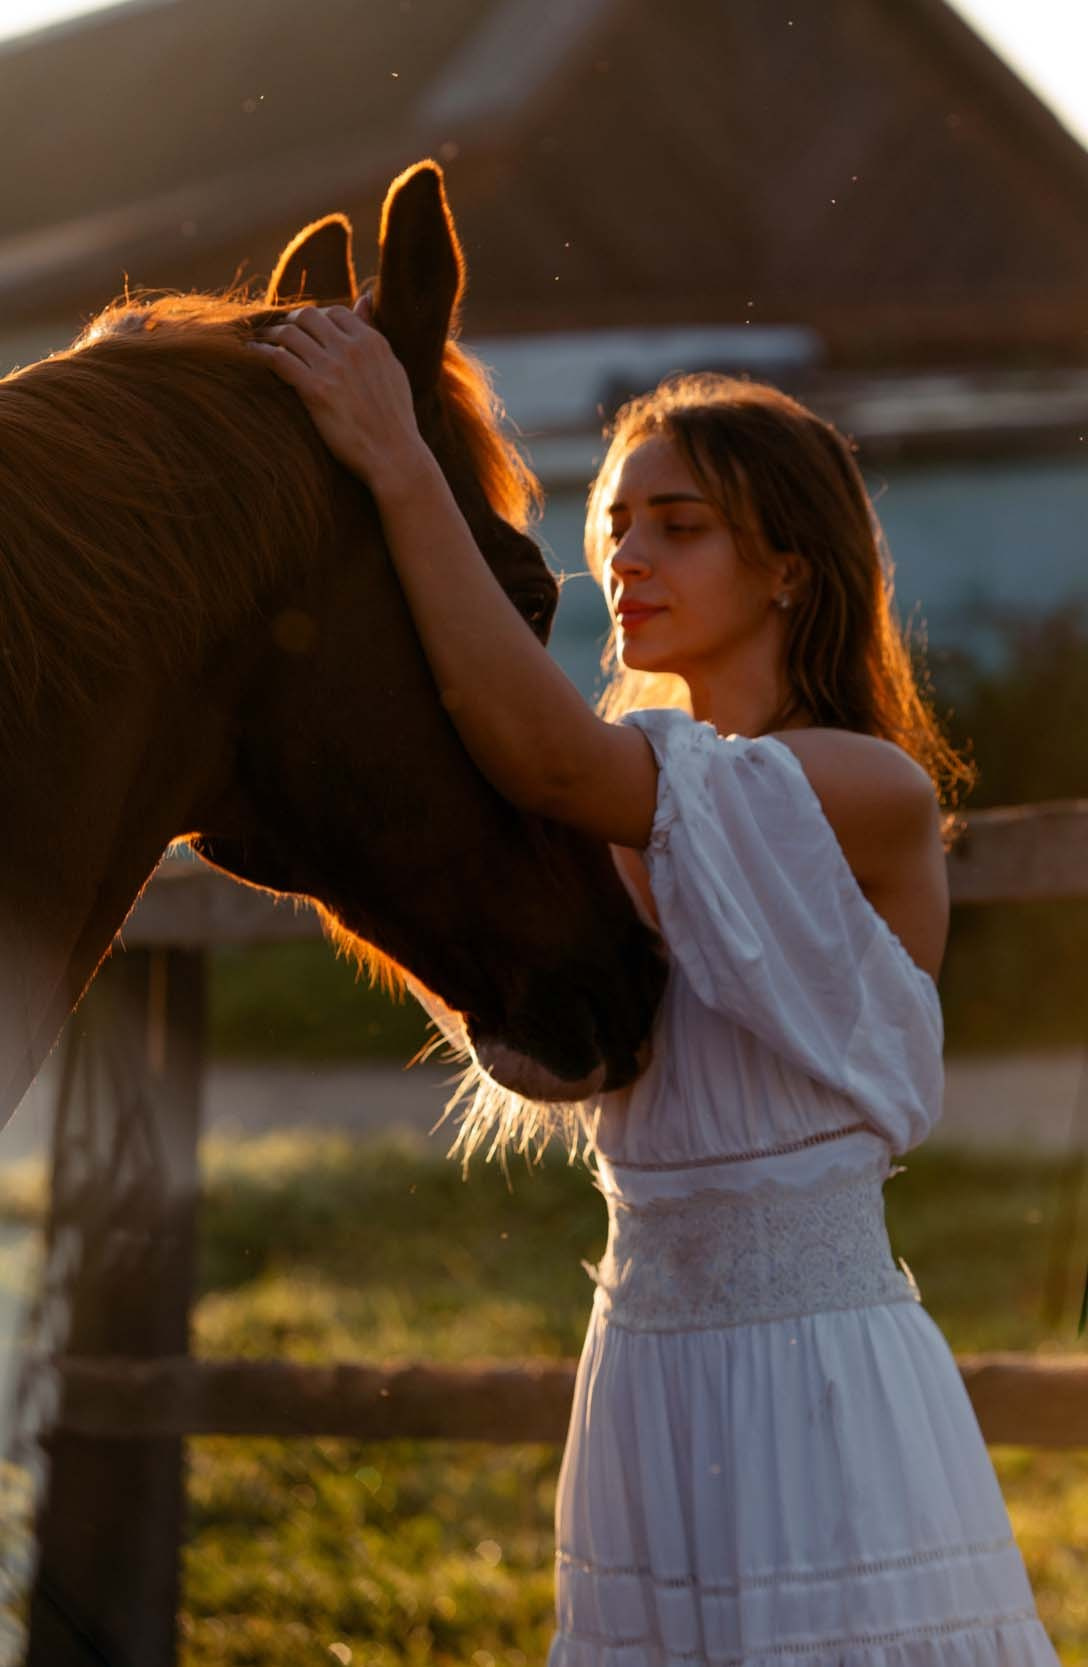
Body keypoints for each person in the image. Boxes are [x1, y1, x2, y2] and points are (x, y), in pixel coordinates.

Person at [251, 299, 1059, 1666]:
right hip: (643, 1372)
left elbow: (551, 760)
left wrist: (401, 462)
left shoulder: (861, 789)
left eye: (677, 523)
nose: (629, 555)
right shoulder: (641, 814)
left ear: (791, 568)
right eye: (616, 524)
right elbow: (521, 1005)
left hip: (818, 1382)